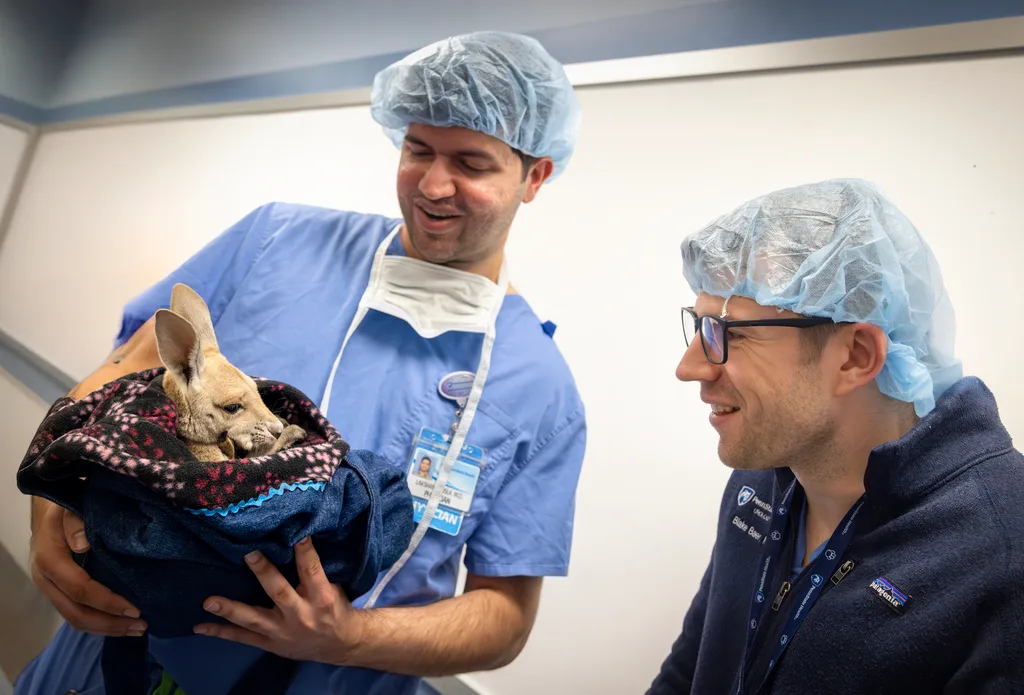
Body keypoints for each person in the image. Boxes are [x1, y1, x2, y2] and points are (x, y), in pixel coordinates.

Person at [17, 30, 587, 695]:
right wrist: (50, 514)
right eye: (418, 149)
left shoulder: (539, 389)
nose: (434, 185)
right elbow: (112, 383)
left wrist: (348, 637)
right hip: (114, 648)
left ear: (535, 175)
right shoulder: (276, 241)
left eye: (472, 162)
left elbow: (506, 617)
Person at [648, 179, 1024, 694]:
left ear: (856, 357)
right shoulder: (758, 483)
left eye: (728, 333)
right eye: (700, 325)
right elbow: (687, 675)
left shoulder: (1002, 552)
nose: (689, 368)